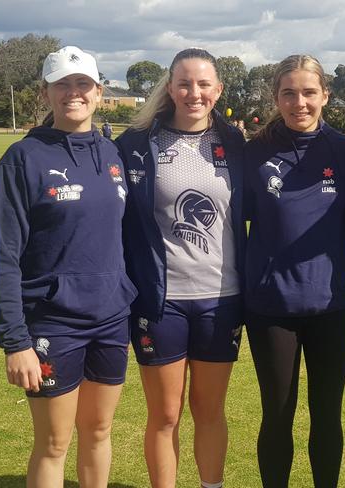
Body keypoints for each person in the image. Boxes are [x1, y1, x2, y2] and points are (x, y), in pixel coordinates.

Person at [0, 46, 136, 487]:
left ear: (98, 91)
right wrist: (15, 341)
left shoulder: (111, 154)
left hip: (111, 319)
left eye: (83, 84)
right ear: (46, 92)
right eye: (62, 84)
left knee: (99, 432)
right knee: (54, 443)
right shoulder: (22, 159)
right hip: (53, 324)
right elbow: (4, 256)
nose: (74, 93)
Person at [116, 48, 246, 488]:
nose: (194, 92)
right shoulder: (135, 144)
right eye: (185, 83)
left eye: (204, 84)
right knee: (165, 414)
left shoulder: (237, 144)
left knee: (209, 411)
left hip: (221, 299)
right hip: (160, 300)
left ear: (218, 90)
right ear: (169, 88)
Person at [243, 54, 345, 488]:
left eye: (309, 92)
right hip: (271, 307)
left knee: (327, 412)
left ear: (325, 96)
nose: (299, 103)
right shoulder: (254, 150)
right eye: (289, 93)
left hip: (331, 304)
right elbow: (242, 215)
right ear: (276, 97)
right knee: (277, 414)